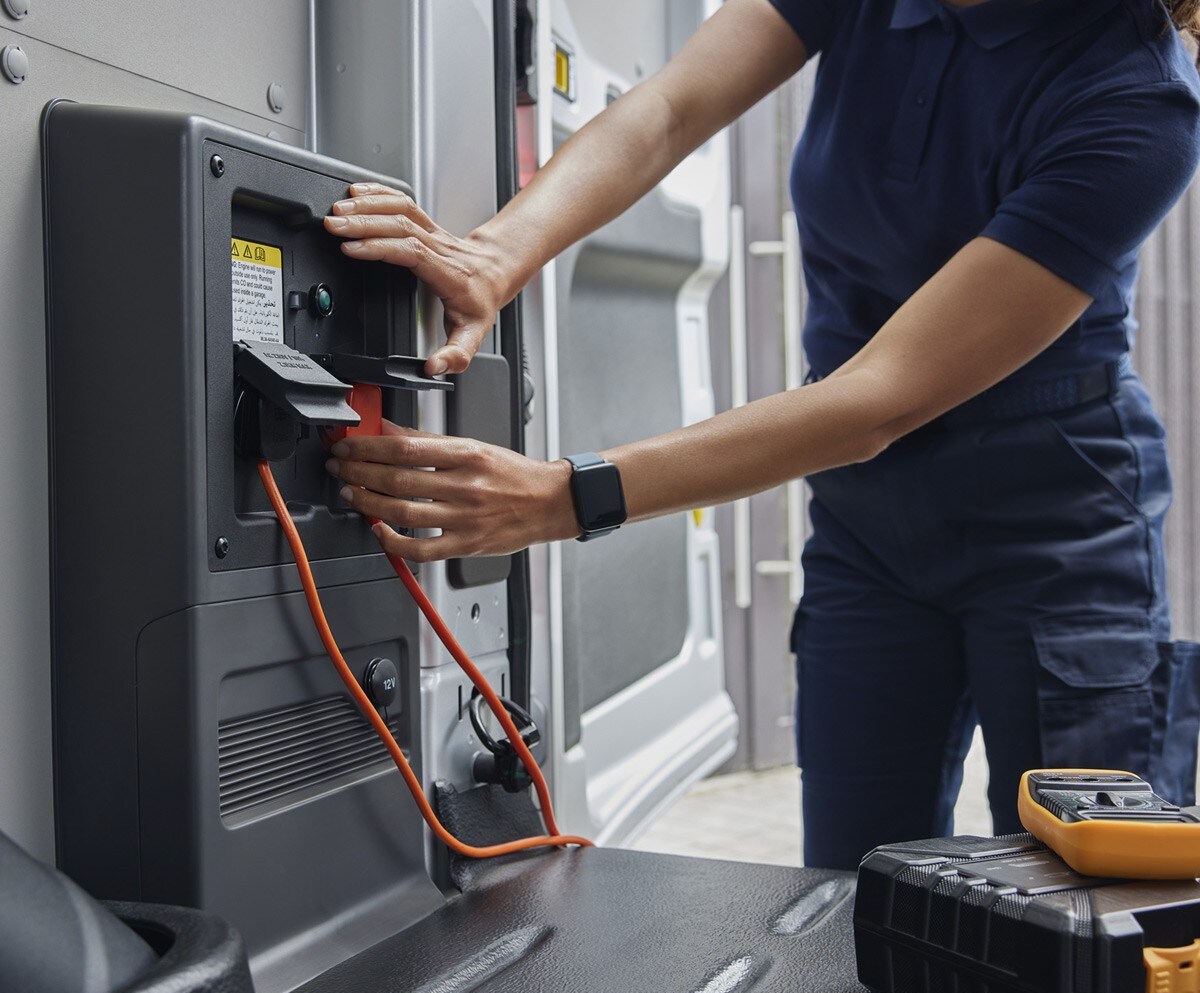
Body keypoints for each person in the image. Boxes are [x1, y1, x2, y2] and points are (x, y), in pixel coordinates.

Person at [320, 0, 1200, 869]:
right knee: (852, 893)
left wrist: (565, 496)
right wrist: (498, 251)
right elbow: (671, 110)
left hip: (1056, 523)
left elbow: (880, 399)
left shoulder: (1139, 99)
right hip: (871, 526)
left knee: (1089, 896)